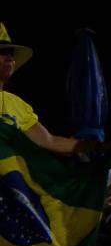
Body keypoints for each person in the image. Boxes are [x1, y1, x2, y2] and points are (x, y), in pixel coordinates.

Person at [0, 24, 91, 155]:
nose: (10, 58)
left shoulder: (18, 105)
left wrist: (87, 146)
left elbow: (49, 141)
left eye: (11, 53)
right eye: (2, 52)